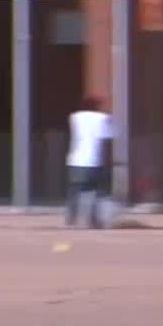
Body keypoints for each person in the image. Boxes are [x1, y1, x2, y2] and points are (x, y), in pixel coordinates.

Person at [65, 95, 114, 228]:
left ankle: (71, 219)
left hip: (76, 160)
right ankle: (93, 220)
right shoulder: (103, 119)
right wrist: (109, 161)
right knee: (97, 191)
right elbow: (106, 141)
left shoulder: (75, 118)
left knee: (75, 190)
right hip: (94, 160)